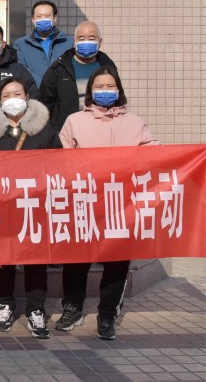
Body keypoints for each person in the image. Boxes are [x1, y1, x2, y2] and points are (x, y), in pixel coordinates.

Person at [56, 66, 158, 340]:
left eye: (110, 86)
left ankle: (107, 314)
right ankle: (72, 308)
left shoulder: (135, 122)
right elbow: (61, 158)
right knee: (77, 259)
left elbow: (153, 154)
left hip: (121, 204)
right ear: (90, 91)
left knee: (117, 261)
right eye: (99, 86)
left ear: (119, 89)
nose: (105, 91)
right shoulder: (75, 120)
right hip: (84, 200)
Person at [0, 77, 61, 339]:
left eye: (17, 93)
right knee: (5, 257)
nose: (12, 99)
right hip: (2, 204)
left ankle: (36, 309)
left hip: (35, 204)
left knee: (36, 260)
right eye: (6, 95)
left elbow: (59, 164)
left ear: (27, 97)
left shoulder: (45, 129)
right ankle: (4, 304)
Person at [39, 21, 117, 131]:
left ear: (100, 42)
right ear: (74, 41)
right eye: (81, 38)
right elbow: (45, 105)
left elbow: (117, 101)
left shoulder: (108, 67)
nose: (86, 42)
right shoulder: (59, 68)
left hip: (102, 130)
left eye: (91, 38)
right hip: (67, 131)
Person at [14, 0, 74, 87]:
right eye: (39, 16)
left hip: (63, 91)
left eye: (47, 16)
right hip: (34, 92)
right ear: (33, 20)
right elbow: (21, 70)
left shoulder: (69, 43)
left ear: (55, 18)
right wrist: (44, 85)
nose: (43, 19)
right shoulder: (20, 45)